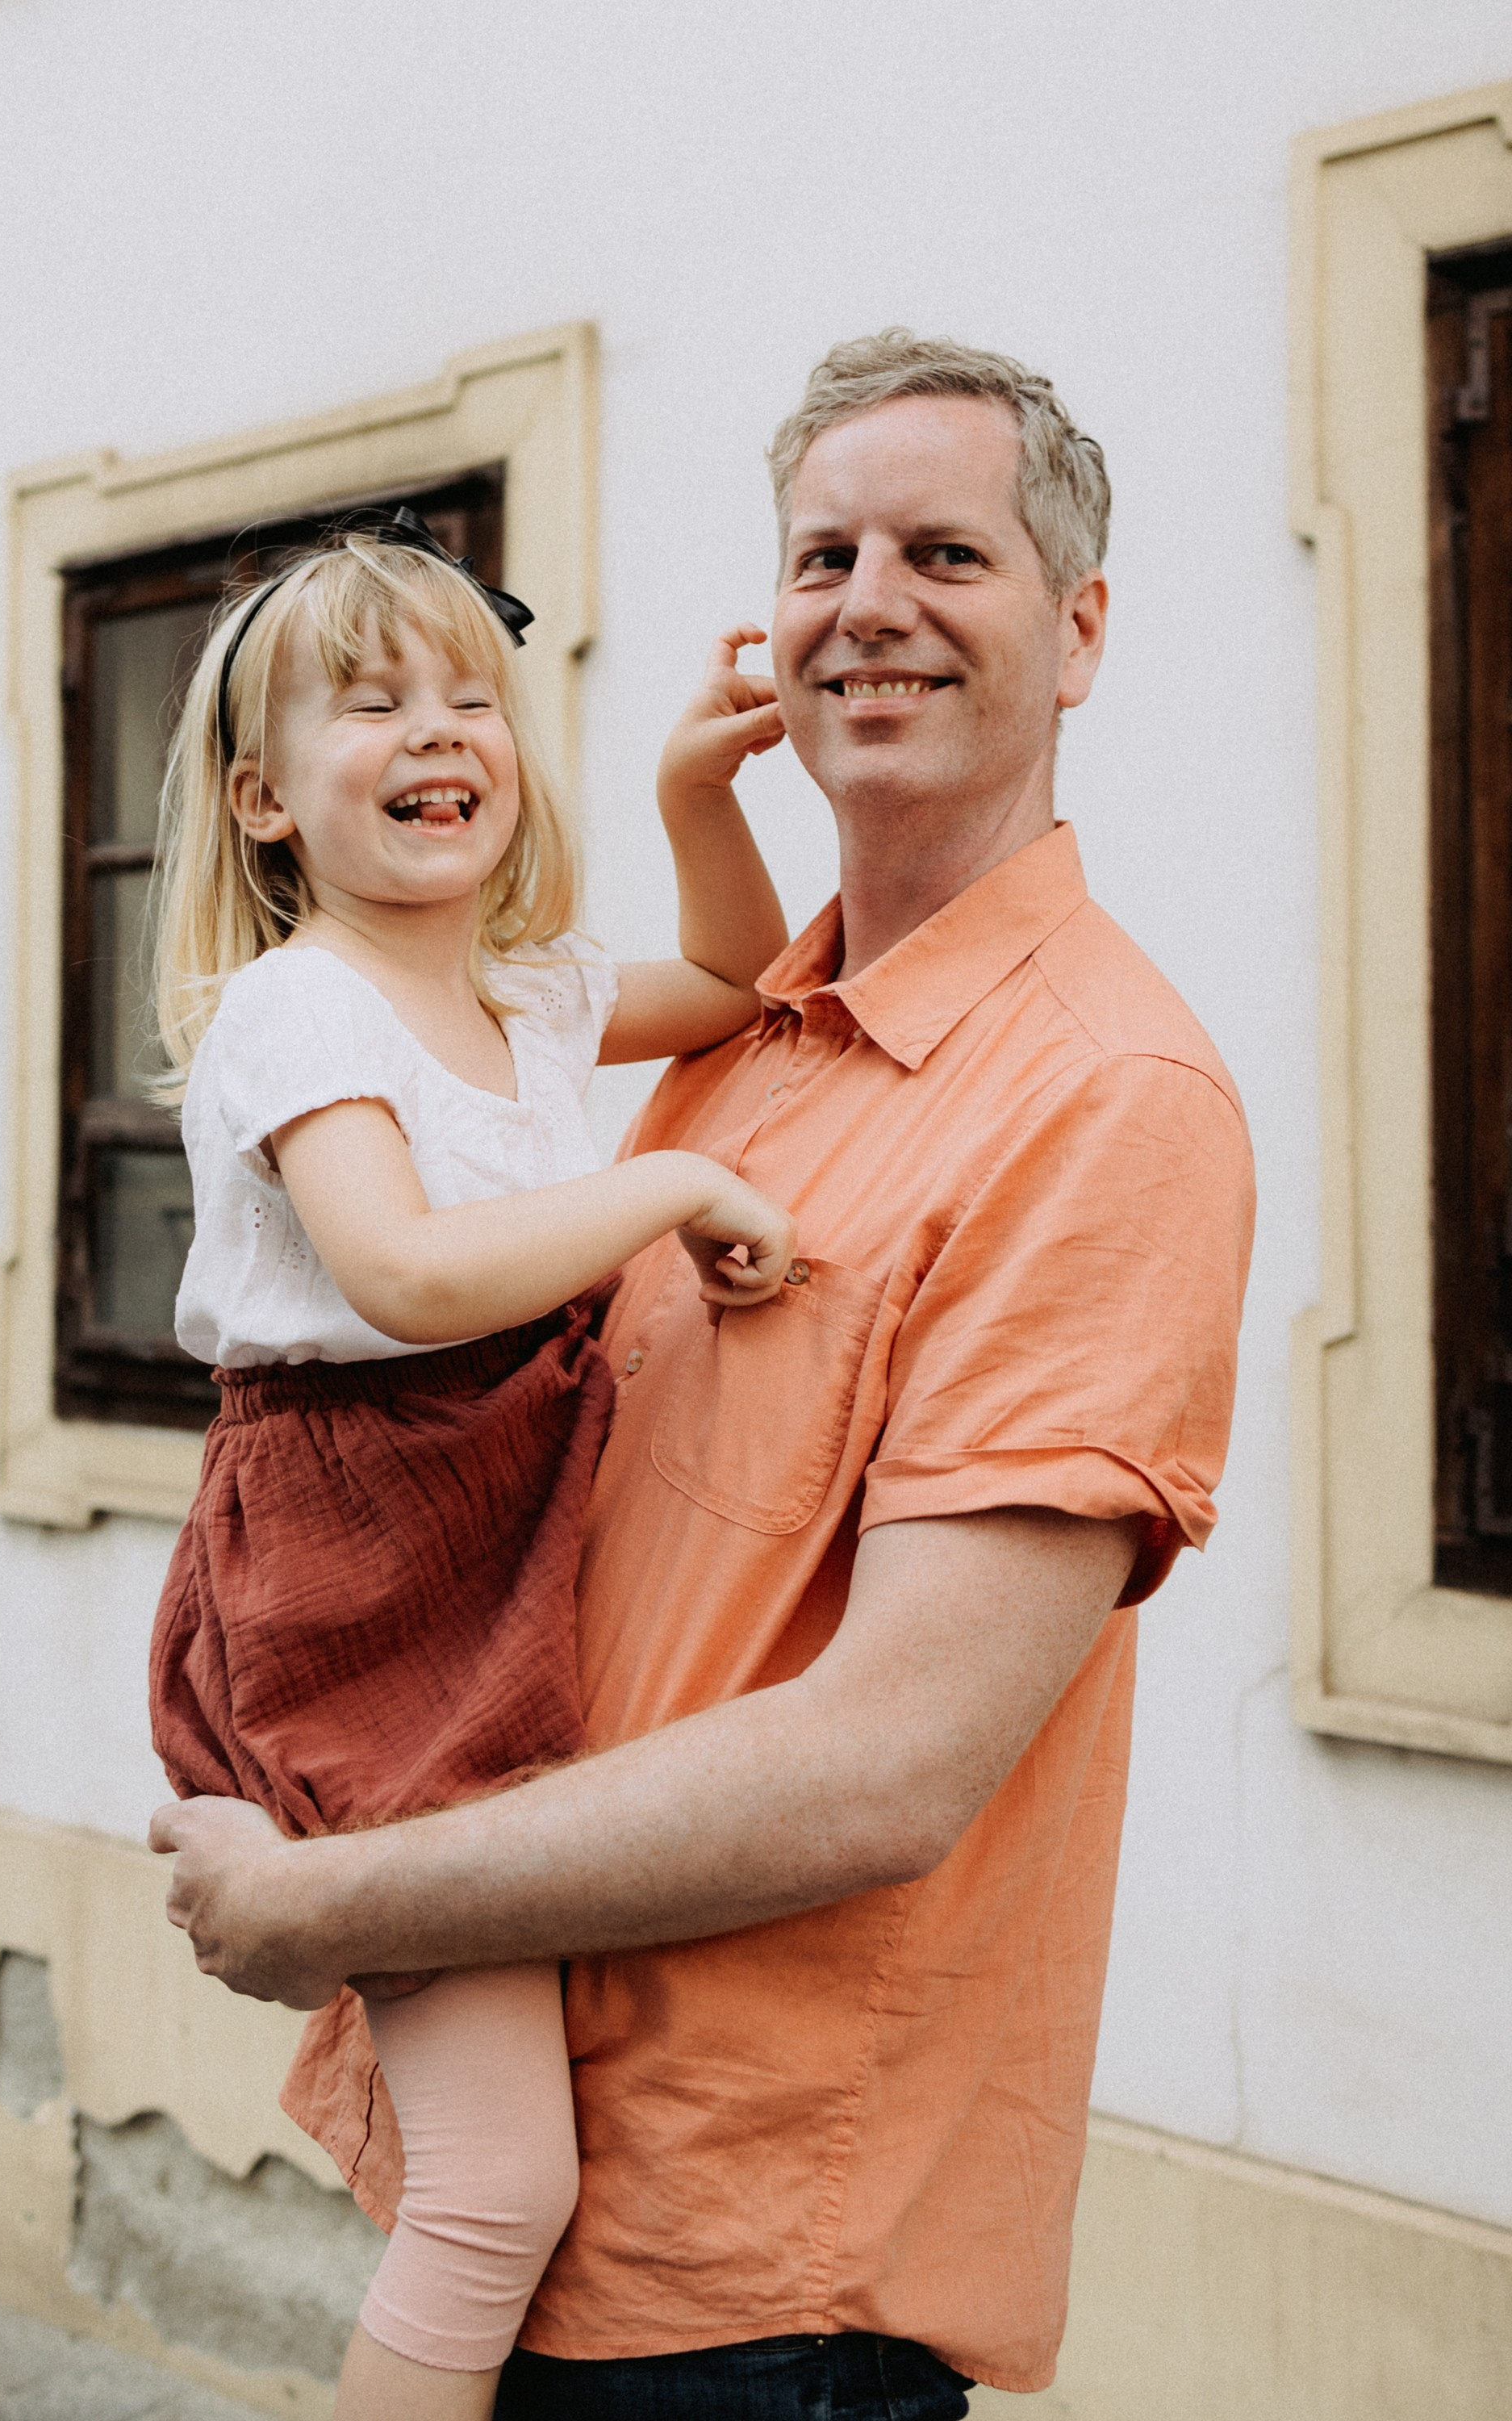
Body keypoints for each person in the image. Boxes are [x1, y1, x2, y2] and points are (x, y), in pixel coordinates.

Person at [152, 332, 1256, 2421]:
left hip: (754, 2285)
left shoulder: (1110, 1103)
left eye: (950, 550)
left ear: (1080, 629)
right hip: (538, 2170)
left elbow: (887, 1759)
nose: (873, 600)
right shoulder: (750, 1036)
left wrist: (331, 1896)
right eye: (825, 552)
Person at [145, 505, 802, 2421]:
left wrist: (696, 789)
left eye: (471, 696)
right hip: (369, 1576)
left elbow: (740, 980)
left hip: (499, 1544)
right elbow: (408, 1271)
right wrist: (667, 1178)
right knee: (501, 2188)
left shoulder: (523, 991)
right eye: (371, 707)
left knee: (509, 2158)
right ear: (266, 803)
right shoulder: (298, 1008)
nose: (438, 732)